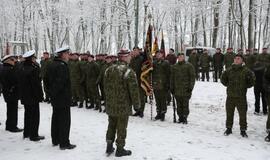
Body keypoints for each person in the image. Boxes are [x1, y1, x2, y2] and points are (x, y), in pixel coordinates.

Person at [103, 50, 140, 157]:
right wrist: (137, 105)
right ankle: (120, 149)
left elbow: (105, 87)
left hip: (111, 104)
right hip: (123, 105)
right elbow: (134, 91)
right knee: (121, 127)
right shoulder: (128, 71)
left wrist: (109, 101)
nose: (130, 58)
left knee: (111, 124)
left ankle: (109, 146)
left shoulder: (108, 70)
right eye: (129, 56)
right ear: (124, 57)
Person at [45, 46, 76, 150]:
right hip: (62, 98)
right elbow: (60, 83)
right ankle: (64, 143)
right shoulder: (62, 66)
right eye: (67, 53)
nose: (68, 55)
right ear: (62, 54)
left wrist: (50, 93)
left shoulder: (51, 64)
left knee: (56, 119)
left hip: (55, 98)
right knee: (64, 121)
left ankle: (55, 139)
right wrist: (55, 92)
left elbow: (46, 80)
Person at [221, 54, 255, 137]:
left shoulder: (246, 71)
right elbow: (223, 79)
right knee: (229, 113)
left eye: (238, 59)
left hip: (241, 97)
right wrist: (229, 86)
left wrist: (244, 87)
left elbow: (252, 81)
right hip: (230, 96)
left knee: (242, 114)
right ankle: (229, 128)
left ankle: (243, 130)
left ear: (242, 61)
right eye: (235, 59)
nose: (236, 60)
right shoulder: (229, 70)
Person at [19, 50, 45, 141]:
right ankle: (34, 135)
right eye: (33, 57)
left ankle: (26, 133)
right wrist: (40, 96)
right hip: (33, 96)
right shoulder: (34, 68)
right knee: (34, 116)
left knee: (27, 115)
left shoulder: (21, 67)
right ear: (31, 58)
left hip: (25, 96)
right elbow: (36, 84)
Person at [0, 55, 23, 132]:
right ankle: (12, 126)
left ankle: (9, 125)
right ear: (7, 61)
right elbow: (15, 80)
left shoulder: (4, 68)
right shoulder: (9, 69)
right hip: (11, 92)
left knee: (10, 110)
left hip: (8, 92)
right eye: (12, 60)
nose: (14, 61)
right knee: (12, 111)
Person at [170, 53, 195, 124]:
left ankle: (185, 117)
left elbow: (192, 78)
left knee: (185, 104)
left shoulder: (189, 66)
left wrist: (190, 87)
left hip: (186, 89)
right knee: (178, 104)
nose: (180, 58)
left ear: (184, 57)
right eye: (179, 57)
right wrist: (172, 87)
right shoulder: (174, 67)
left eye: (181, 57)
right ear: (177, 58)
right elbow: (172, 78)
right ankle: (180, 117)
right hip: (177, 89)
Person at [152, 51, 170, 121]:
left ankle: (163, 114)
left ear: (162, 55)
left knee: (163, 100)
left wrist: (168, 84)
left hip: (163, 84)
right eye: (157, 54)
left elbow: (169, 74)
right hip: (155, 84)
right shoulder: (154, 63)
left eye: (159, 54)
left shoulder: (166, 63)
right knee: (157, 100)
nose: (158, 55)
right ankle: (158, 113)